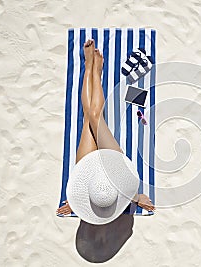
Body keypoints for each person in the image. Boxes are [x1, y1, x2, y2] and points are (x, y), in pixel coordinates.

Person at [56, 39, 155, 217]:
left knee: (89, 119)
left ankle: (90, 68)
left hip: (89, 174)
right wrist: (139, 197)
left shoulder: (96, 193)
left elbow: (78, 195)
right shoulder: (124, 185)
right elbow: (133, 194)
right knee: (95, 117)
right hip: (114, 164)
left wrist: (74, 203)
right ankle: (96, 72)